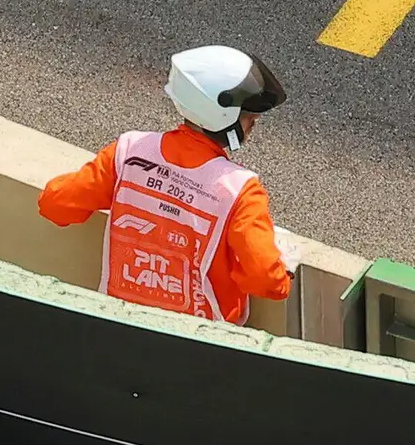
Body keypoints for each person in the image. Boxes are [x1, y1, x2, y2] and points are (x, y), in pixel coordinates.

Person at [37, 47, 295, 325]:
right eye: (249, 116)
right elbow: (266, 280)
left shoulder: (128, 152)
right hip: (200, 345)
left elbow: (55, 204)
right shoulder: (240, 191)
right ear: (223, 115)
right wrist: (283, 271)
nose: (254, 122)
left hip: (117, 328)